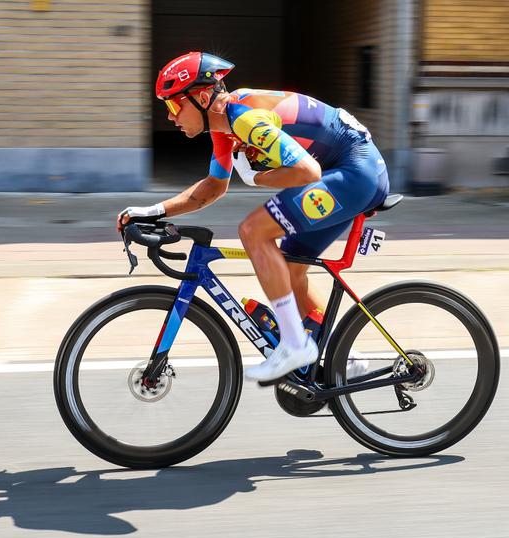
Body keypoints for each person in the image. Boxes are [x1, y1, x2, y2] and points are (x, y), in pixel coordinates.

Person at [117, 52, 388, 383]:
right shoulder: (224, 124)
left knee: (253, 231)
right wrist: (155, 210)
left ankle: (294, 344)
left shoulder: (244, 118)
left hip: (356, 172)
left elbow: (307, 171)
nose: (171, 116)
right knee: (289, 269)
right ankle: (344, 358)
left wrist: (257, 179)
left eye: (174, 105)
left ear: (202, 97)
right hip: (347, 172)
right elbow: (213, 188)